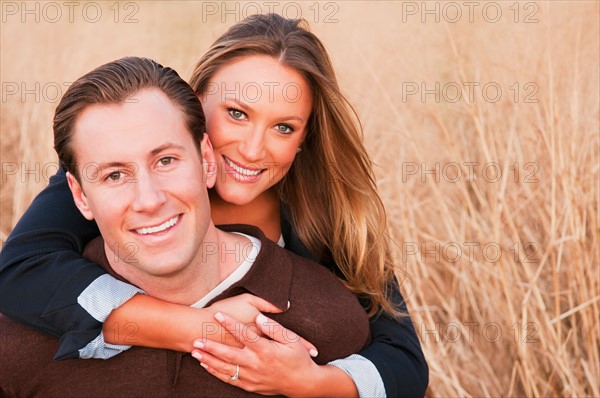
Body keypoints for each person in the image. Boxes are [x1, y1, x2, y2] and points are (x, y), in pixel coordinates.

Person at [0, 14, 428, 397]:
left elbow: (403, 360)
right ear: (198, 103)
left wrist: (312, 383)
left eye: (283, 127)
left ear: (303, 141)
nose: (252, 148)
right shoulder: (123, 172)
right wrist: (195, 326)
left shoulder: (329, 224)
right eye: (237, 113)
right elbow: (21, 269)